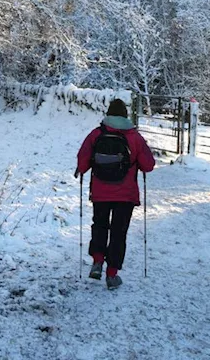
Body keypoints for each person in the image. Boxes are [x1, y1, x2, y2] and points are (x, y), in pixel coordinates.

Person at [75, 98, 155, 290]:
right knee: (119, 232)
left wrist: (82, 169)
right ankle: (112, 274)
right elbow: (148, 165)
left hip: (101, 191)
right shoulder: (134, 137)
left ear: (108, 114)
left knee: (100, 225)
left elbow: (83, 160)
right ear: (126, 115)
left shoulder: (96, 134)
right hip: (125, 195)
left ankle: (97, 260)